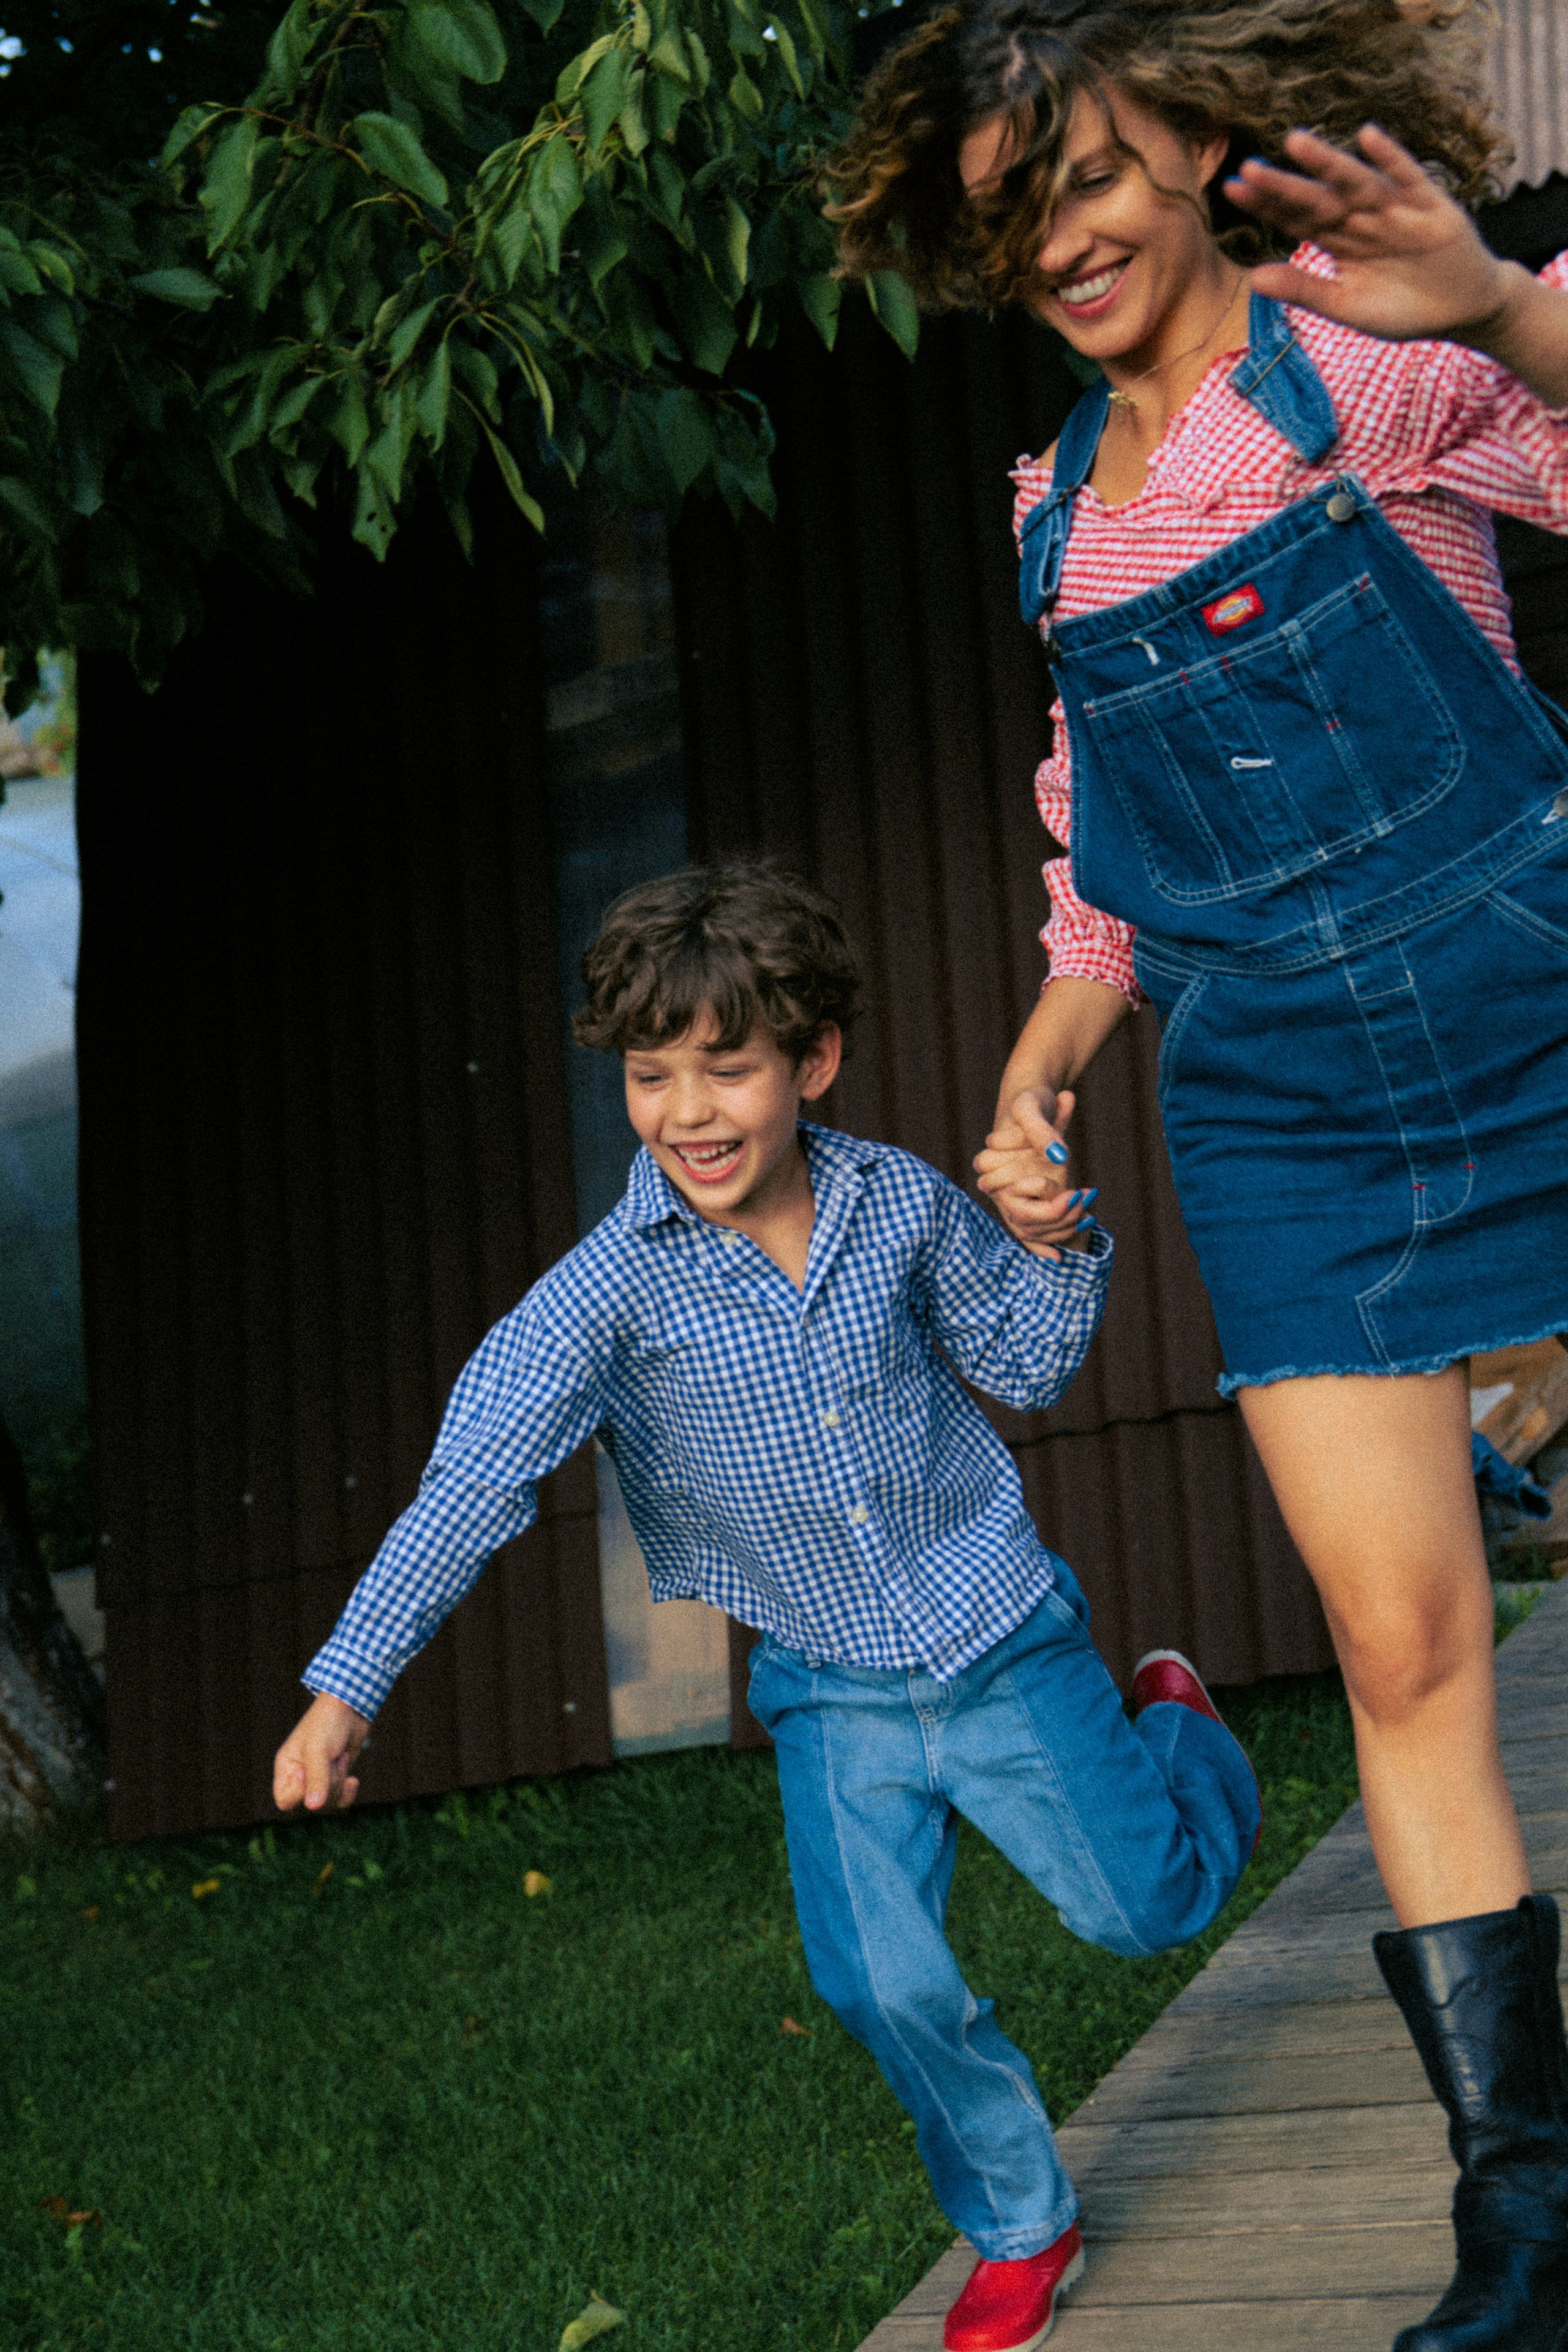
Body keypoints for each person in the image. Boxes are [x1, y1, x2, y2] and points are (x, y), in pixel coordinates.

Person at [825, 4, 1568, 2348]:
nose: (1064, 240)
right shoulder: (1054, 513)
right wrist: (1046, 1065)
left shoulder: (1378, 361)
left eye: (1096, 180)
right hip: (1275, 1113)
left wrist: (1510, 305)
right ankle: (1533, 2233)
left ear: (1201, 147)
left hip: (1532, 1007)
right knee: (1399, 1640)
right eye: (1011, 212)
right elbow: (1107, 871)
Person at [273, 864, 1261, 2352]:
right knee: (877, 1980)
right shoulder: (604, 1296)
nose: (687, 1111)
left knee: (1149, 1907)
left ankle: (1176, 1729)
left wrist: (1049, 1242)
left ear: (812, 1062)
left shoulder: (900, 1209)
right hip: (833, 1690)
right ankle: (1017, 2220)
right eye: (649, 1074)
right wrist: (347, 1689)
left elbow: (1030, 1366)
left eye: (726, 1068)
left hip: (998, 1637)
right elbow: (470, 1479)